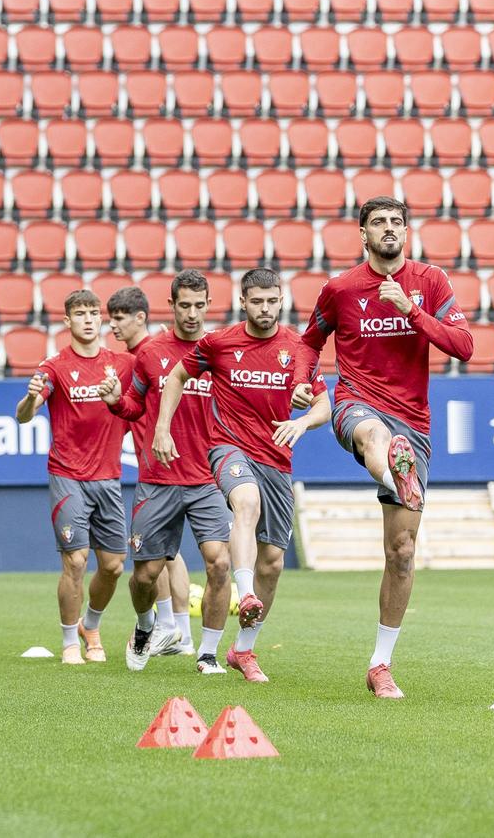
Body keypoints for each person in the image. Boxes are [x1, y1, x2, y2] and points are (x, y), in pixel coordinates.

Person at [301, 196, 474, 699]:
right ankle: (392, 474)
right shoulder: (340, 288)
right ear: (364, 234)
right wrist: (300, 380)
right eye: (379, 223)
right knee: (372, 435)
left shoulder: (430, 282)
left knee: (401, 551)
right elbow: (310, 342)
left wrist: (412, 311)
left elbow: (463, 346)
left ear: (406, 231)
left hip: (414, 422)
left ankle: (380, 664)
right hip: (355, 402)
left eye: (396, 222)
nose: (389, 229)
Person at [153, 268, 327, 685]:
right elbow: (177, 375)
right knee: (245, 501)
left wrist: (303, 423)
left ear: (280, 300)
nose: (265, 308)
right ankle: (243, 591)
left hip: (277, 459)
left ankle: (243, 650)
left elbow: (324, 404)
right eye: (257, 301)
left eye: (272, 301)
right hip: (228, 447)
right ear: (243, 302)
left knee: (274, 563)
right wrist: (162, 427)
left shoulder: (298, 349)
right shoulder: (219, 343)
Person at [105, 277, 233, 674]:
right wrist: (114, 402)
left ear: (209, 304)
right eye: (184, 306)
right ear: (171, 305)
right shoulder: (151, 354)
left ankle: (208, 653)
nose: (192, 314)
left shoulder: (221, 352)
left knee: (219, 564)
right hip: (158, 479)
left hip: (206, 478)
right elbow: (133, 406)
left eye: (199, 305)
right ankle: (146, 626)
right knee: (145, 574)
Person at [16, 289, 131, 666]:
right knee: (76, 561)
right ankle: (69, 642)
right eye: (79, 313)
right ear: (67, 322)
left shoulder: (121, 363)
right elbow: (24, 415)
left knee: (113, 566)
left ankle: (90, 625)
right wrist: (31, 400)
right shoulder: (54, 366)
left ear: (101, 319)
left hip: (109, 477)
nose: (86, 319)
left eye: (92, 313)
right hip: (68, 476)